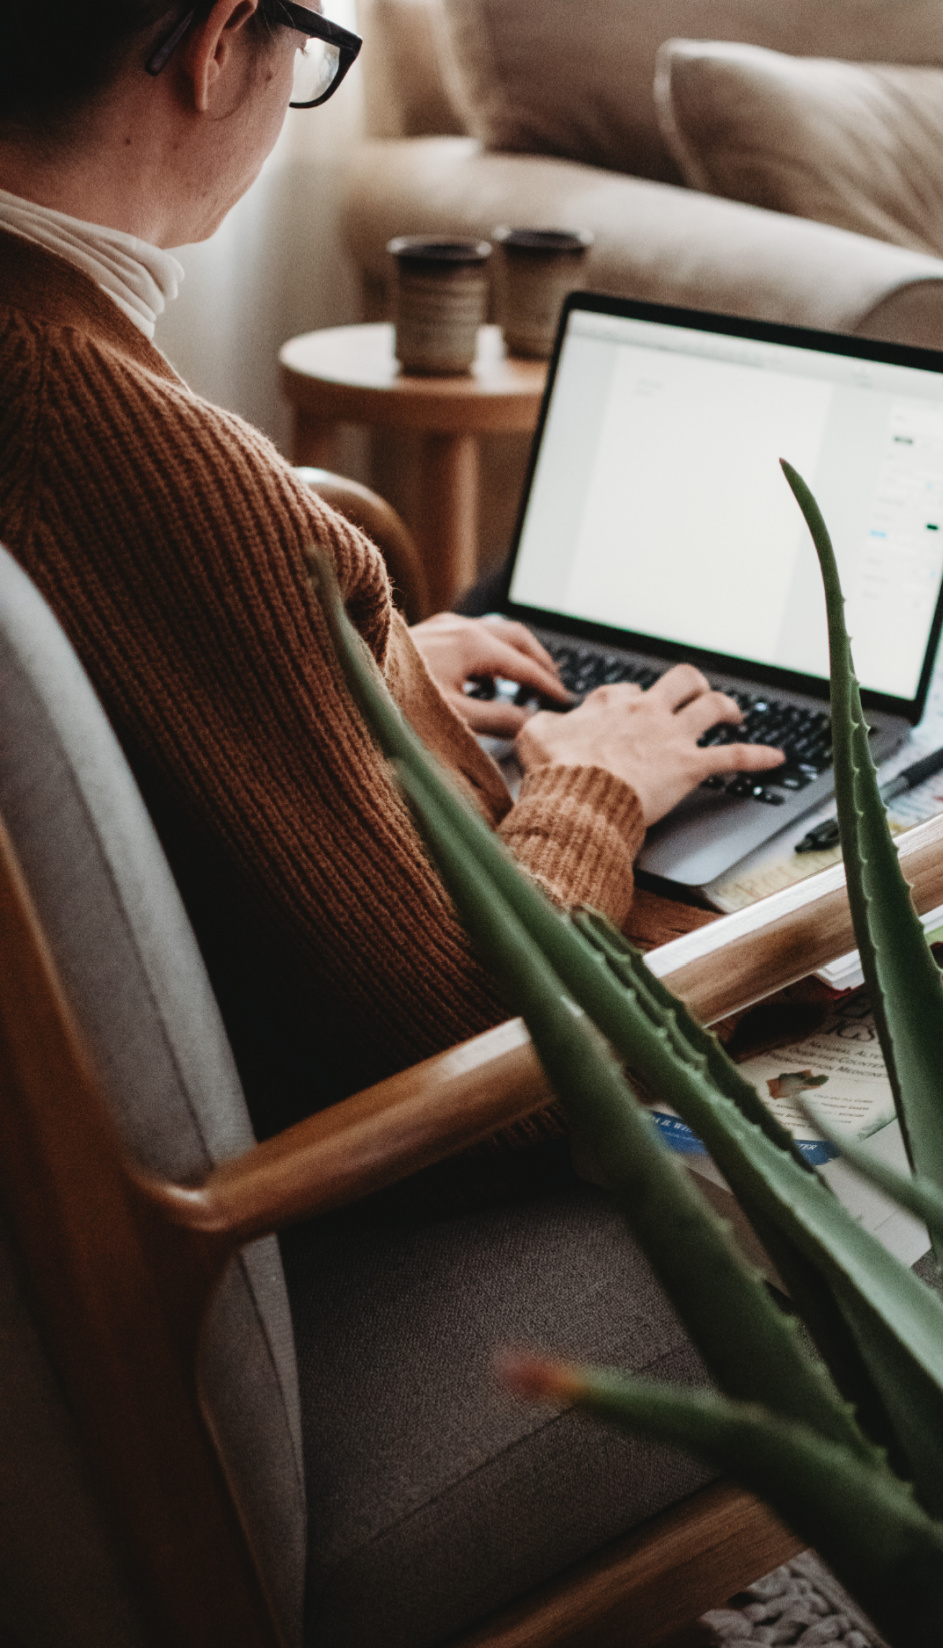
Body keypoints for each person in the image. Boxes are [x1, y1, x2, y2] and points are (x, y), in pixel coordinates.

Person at [0, 0, 782, 1140]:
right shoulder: (104, 442)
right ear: (218, 44)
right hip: (305, 1205)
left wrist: (359, 672)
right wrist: (595, 784)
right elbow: (482, 1047)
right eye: (310, 39)